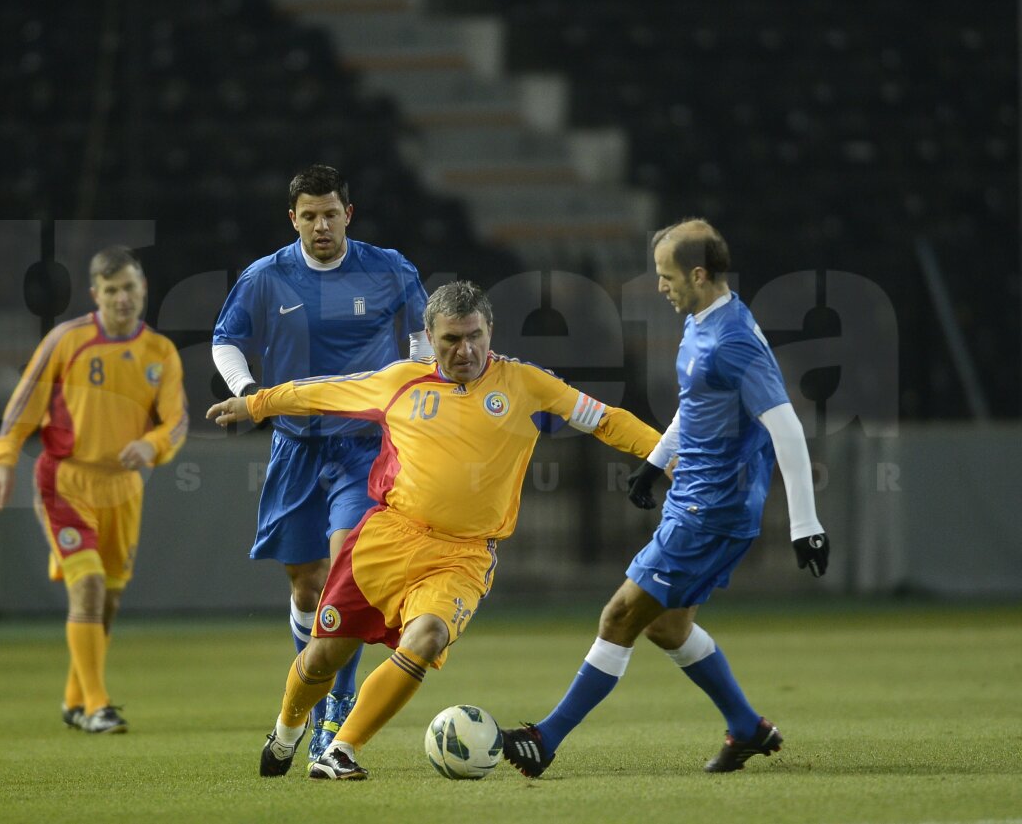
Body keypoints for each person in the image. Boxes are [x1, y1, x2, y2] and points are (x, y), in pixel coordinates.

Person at [207, 280, 662, 780]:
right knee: (321, 660)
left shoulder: (526, 383)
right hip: (386, 539)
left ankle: (341, 749)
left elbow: (606, 419)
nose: (465, 350)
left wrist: (667, 455)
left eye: (475, 336)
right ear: (429, 336)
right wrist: (256, 403)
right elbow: (323, 392)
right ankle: (287, 732)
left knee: (426, 637)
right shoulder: (400, 380)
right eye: (450, 340)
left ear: (491, 331)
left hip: (462, 555)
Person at [499, 218, 831, 777]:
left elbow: (787, 428)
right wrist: (654, 465)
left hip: (714, 507)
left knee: (620, 614)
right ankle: (747, 728)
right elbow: (696, 405)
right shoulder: (703, 321)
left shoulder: (734, 341)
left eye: (667, 275)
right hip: (693, 495)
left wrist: (805, 524)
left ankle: (545, 738)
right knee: (667, 626)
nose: (660, 286)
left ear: (699, 274)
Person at [211, 164, 430, 760]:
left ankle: (337, 714)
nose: (320, 224)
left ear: (348, 214)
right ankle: (307, 689)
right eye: (309, 215)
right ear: (293, 219)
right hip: (295, 446)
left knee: (345, 577)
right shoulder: (266, 277)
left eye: (330, 213)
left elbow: (422, 342)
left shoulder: (389, 268)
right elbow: (225, 338)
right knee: (307, 588)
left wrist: (412, 396)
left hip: (364, 448)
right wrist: (250, 392)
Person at [0, 245, 188, 734]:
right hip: (65, 481)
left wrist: (152, 444)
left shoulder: (159, 352)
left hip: (123, 489)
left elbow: (177, 423)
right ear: (96, 294)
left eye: (130, 287)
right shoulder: (66, 339)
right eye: (112, 290)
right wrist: (2, 459)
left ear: (143, 290)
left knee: (109, 602)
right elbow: (25, 403)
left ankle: (75, 701)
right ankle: (98, 705)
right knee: (89, 587)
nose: (122, 298)